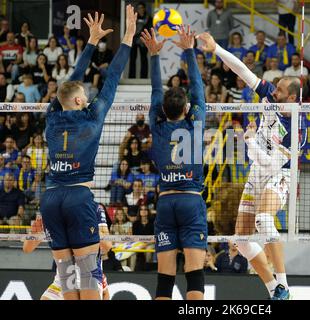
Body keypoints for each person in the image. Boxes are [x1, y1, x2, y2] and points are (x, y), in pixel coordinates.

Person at [39, 7, 136, 300]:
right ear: (81, 99)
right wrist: (128, 36)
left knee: (67, 279)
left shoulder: (52, 116)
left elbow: (69, 83)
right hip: (78, 199)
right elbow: (113, 78)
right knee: (87, 275)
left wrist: (92, 42)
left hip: (51, 197)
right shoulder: (92, 116)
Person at [198, 32, 301, 300]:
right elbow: (242, 70)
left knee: (264, 219)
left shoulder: (294, 130)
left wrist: (249, 140)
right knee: (241, 240)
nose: (272, 89)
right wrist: (216, 47)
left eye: (279, 89)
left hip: (279, 174)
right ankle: (272, 290)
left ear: (291, 98)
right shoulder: (269, 95)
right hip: (257, 173)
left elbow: (268, 162)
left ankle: (283, 285)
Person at [142, 25, 207, 300]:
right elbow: (198, 90)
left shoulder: (156, 127)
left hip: (166, 202)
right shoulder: (196, 123)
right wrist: (189, 51)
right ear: (185, 109)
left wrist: (154, 56)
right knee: (194, 273)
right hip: (191, 201)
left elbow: (157, 91)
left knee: (165, 279)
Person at [23, 204, 112, 300]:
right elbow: (27, 249)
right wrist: (34, 234)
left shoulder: (95, 208)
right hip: (62, 281)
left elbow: (107, 246)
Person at [129, 2, 150, 79]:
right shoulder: (134, 17)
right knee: (132, 58)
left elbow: (150, 29)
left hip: (143, 40)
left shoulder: (148, 18)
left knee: (144, 59)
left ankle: (144, 77)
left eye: (141, 8)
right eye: (138, 8)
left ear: (144, 8)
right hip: (134, 40)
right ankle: (131, 77)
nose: (140, 9)